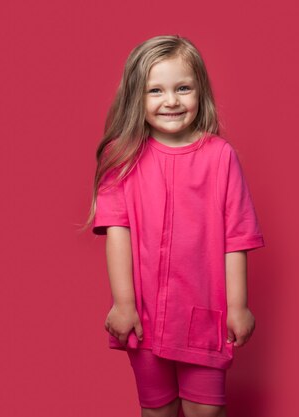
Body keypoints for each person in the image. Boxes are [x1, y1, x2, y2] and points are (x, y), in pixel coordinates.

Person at [83, 35, 265, 417]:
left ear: (200, 91)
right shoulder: (124, 157)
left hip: (204, 314)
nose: (171, 101)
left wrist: (238, 306)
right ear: (137, 96)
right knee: (157, 410)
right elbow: (118, 233)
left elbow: (237, 237)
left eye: (183, 88)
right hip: (145, 316)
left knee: (206, 410)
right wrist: (123, 304)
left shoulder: (220, 157)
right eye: (156, 90)